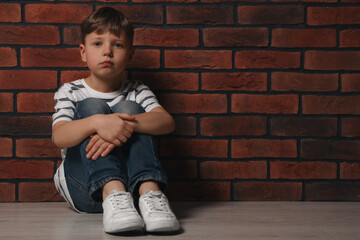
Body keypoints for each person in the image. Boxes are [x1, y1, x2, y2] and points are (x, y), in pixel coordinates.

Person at [52, 7, 180, 234]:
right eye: (97, 44)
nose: (107, 52)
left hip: (133, 198)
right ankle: (112, 191)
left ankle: (150, 193)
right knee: (92, 107)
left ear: (130, 54)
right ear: (83, 52)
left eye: (117, 45)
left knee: (129, 109)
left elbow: (166, 122)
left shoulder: (137, 90)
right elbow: (59, 135)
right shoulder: (70, 91)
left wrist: (124, 125)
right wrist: (98, 123)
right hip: (85, 190)